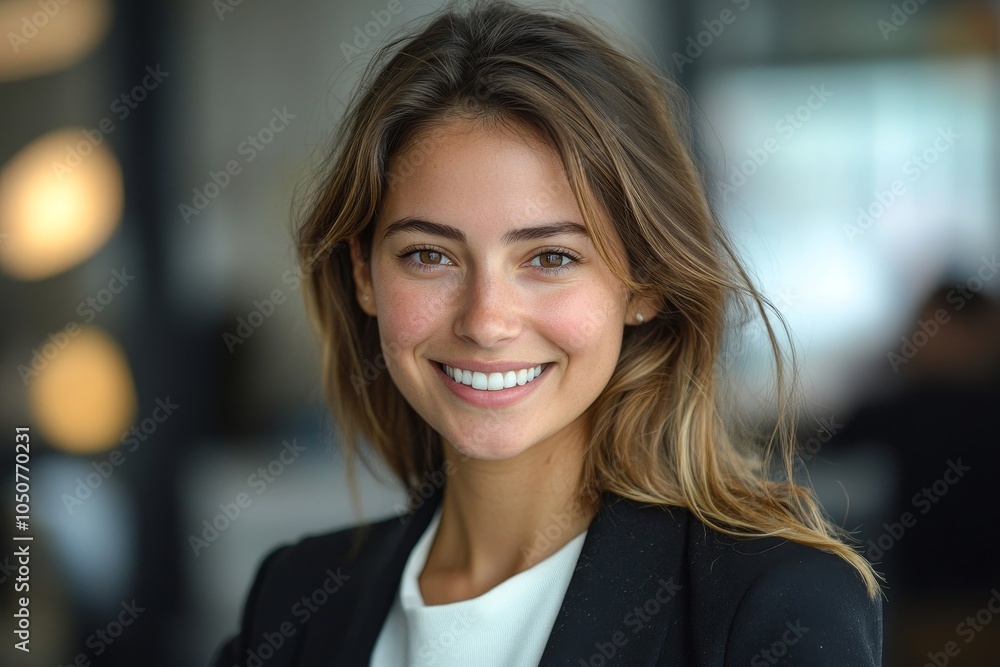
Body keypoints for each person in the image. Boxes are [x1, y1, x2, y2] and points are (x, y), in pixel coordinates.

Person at [212, 1, 883, 664]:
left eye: (551, 258)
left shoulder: (775, 603)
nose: (485, 321)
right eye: (429, 254)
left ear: (644, 281)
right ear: (364, 274)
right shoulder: (295, 599)